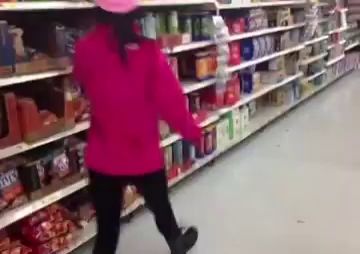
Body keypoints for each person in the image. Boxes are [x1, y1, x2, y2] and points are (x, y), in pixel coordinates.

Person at [73, 0, 202, 253]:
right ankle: (176, 242)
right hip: (142, 153)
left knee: (107, 229)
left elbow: (82, 81)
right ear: (135, 13)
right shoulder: (148, 52)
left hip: (104, 155)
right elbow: (171, 101)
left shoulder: (85, 48)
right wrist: (192, 131)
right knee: (160, 206)